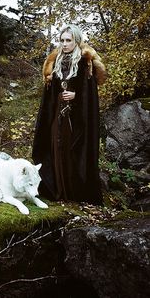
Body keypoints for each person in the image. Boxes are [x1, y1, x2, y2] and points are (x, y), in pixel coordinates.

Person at [32, 24, 107, 205]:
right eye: (62, 40)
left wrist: (76, 95)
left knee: (72, 150)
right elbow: (50, 91)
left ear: (76, 41)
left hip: (77, 117)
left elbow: (90, 94)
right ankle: (58, 190)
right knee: (56, 149)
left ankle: (74, 192)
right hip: (58, 113)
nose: (64, 44)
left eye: (68, 40)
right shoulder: (55, 62)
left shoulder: (84, 62)